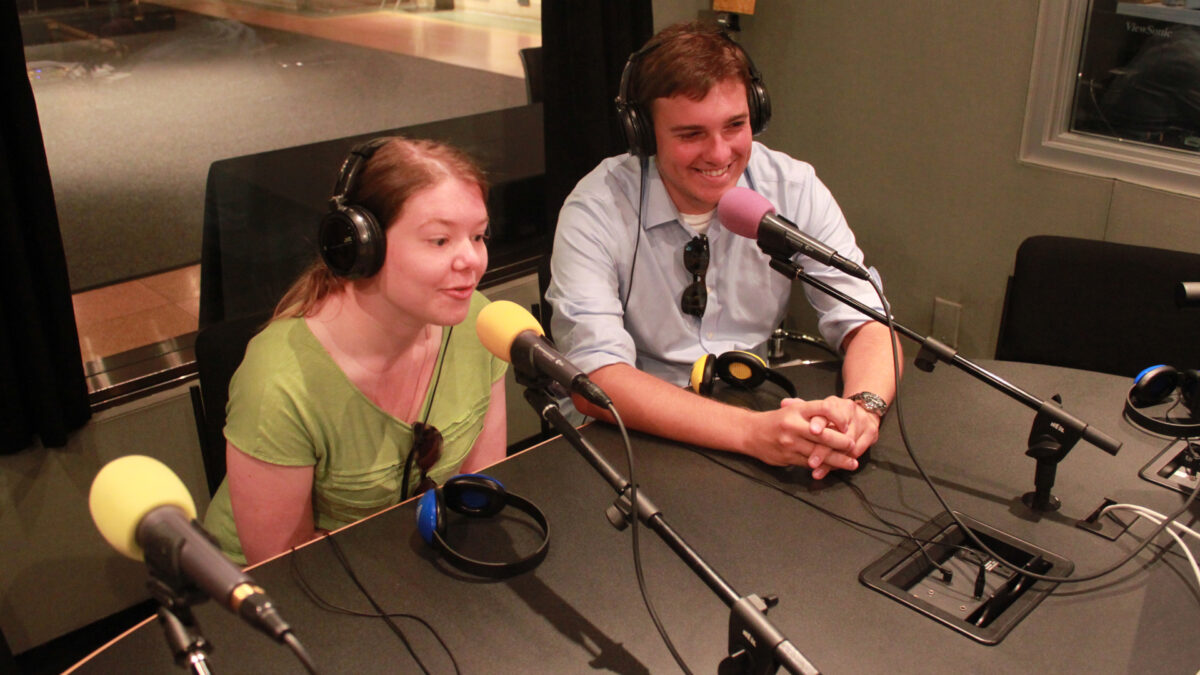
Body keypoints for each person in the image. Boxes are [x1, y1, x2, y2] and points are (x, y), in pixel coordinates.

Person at [545, 21, 901, 480]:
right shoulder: (596, 208)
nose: (720, 154)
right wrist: (753, 434)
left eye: (736, 125)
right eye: (691, 134)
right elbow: (597, 379)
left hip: (753, 414)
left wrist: (862, 411)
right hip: (631, 438)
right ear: (644, 135)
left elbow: (868, 319)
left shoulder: (791, 188)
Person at [204, 137, 507, 565]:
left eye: (478, 236)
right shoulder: (278, 382)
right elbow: (284, 566)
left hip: (414, 568)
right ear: (361, 246)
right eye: (440, 240)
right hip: (279, 597)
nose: (471, 261)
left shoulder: (481, 322)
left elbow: (479, 489)